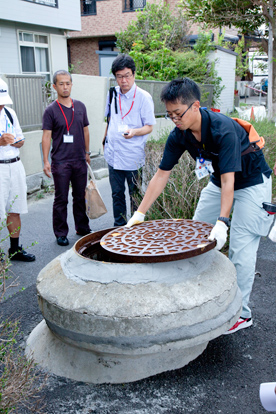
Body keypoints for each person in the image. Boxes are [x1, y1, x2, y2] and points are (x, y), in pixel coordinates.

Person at [127, 78, 273, 334]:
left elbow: (231, 181)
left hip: (250, 180)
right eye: (169, 114)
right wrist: (139, 214)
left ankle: (241, 313)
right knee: (195, 234)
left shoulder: (222, 129)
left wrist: (222, 222)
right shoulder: (180, 135)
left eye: (178, 113)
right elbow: (162, 174)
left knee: (241, 245)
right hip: (220, 179)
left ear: (195, 106)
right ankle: (204, 296)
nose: (174, 119)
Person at [103, 54, 156, 226]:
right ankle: (119, 226)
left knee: (135, 194)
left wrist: (134, 132)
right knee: (116, 194)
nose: (123, 80)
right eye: (119, 76)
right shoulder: (112, 94)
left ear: (133, 74)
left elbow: (149, 126)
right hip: (113, 154)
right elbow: (109, 119)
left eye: (127, 75)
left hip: (133, 156)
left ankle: (134, 228)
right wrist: (105, 140)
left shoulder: (143, 97)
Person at [42, 70, 91, 246]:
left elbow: (85, 130)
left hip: (79, 159)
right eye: (61, 84)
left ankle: (82, 227)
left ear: (71, 84)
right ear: (55, 86)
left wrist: (87, 153)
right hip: (61, 162)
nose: (65, 87)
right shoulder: (51, 110)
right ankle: (61, 233)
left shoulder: (81, 106)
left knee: (80, 196)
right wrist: (46, 161)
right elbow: (46, 136)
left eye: (68, 83)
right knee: (61, 198)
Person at [0, 78, 35, 261]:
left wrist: (16, 141)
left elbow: (21, 139)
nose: (1, 105)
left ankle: (14, 250)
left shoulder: (9, 113)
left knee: (15, 208)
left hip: (15, 164)